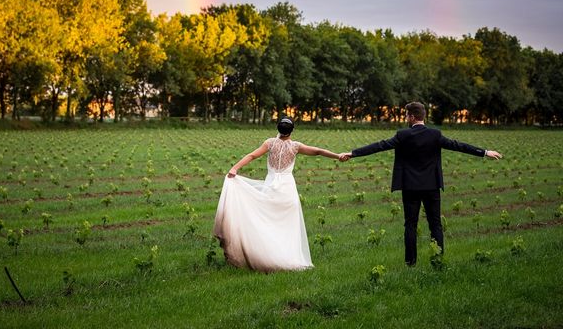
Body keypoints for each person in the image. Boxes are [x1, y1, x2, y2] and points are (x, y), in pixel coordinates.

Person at [339, 102, 503, 266]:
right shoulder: (435, 134)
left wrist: (353, 153)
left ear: (411, 116)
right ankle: (438, 260)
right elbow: (458, 145)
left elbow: (379, 146)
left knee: (410, 225)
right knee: (435, 225)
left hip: (410, 187)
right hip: (431, 186)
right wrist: (484, 152)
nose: (405, 118)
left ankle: (410, 263)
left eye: (406, 115)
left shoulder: (402, 135)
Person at [213, 117, 343, 272]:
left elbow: (252, 155)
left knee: (268, 222)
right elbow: (318, 151)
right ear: (292, 130)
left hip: (271, 187)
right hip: (287, 190)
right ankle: (286, 256)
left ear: (278, 129)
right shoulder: (295, 146)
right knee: (288, 226)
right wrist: (338, 156)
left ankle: (268, 254)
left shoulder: (270, 143)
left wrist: (235, 168)